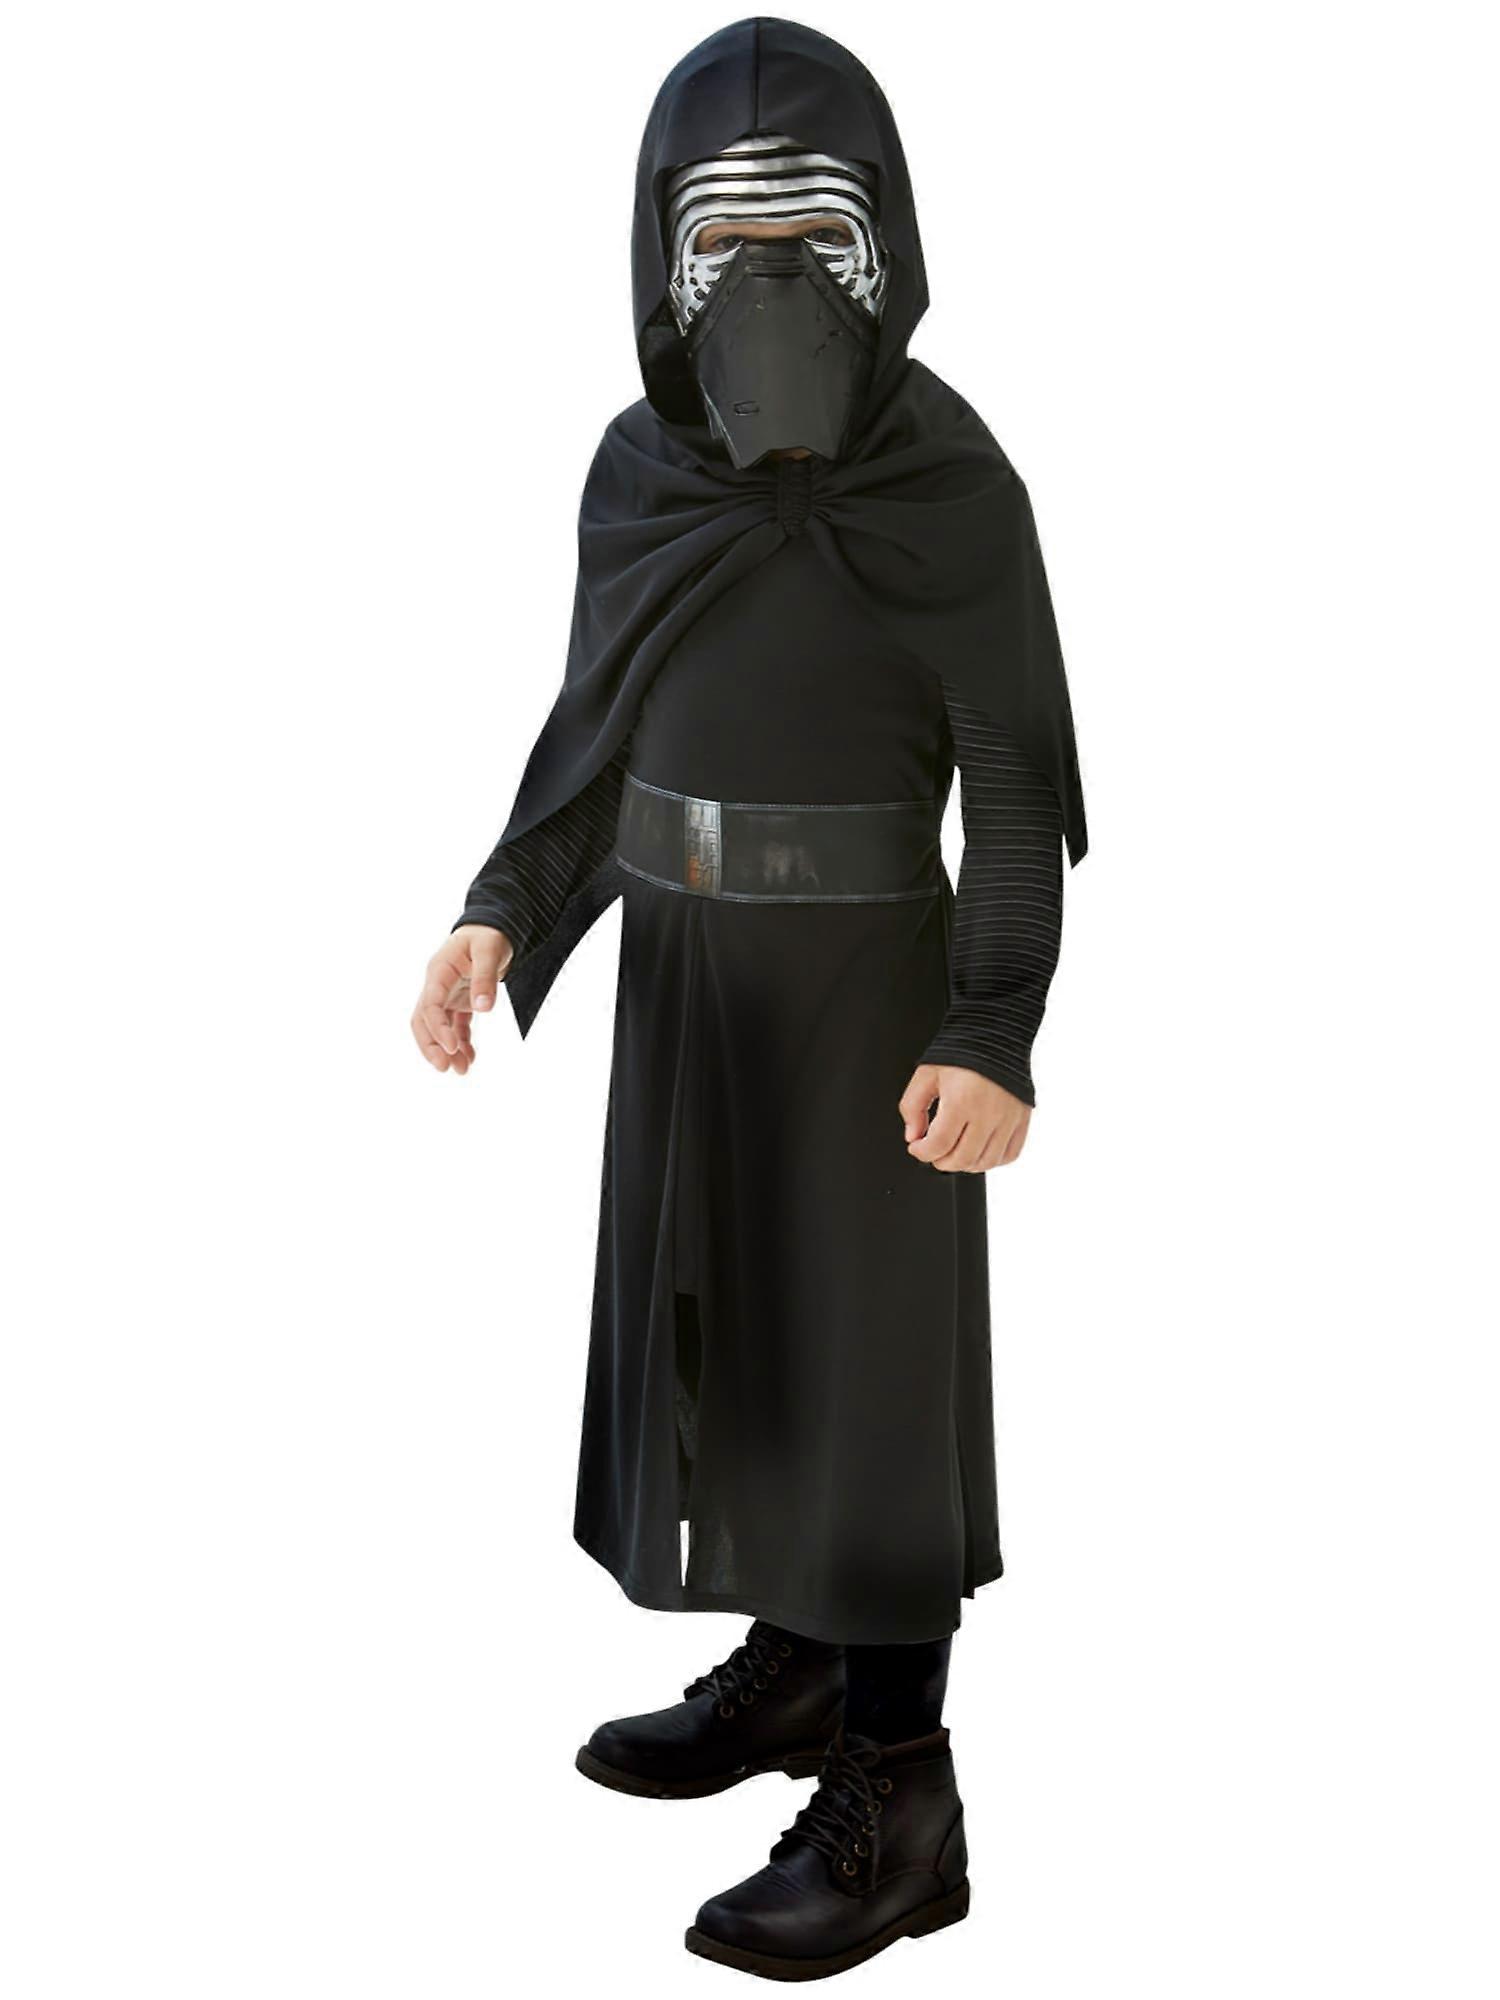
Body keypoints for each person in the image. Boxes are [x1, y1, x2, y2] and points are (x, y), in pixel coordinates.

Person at [409, 19, 1086, 1982]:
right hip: (688, 986)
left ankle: (904, 1791)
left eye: (813, 233)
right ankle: (797, 1665)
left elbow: (1013, 784)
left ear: (884, 242)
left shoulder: (953, 483)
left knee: (873, 1382)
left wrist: (991, 1023)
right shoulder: (640, 470)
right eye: (731, 235)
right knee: (735, 1343)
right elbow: (601, 732)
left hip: (875, 994)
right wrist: (501, 913)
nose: (773, 280)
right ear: (665, 255)